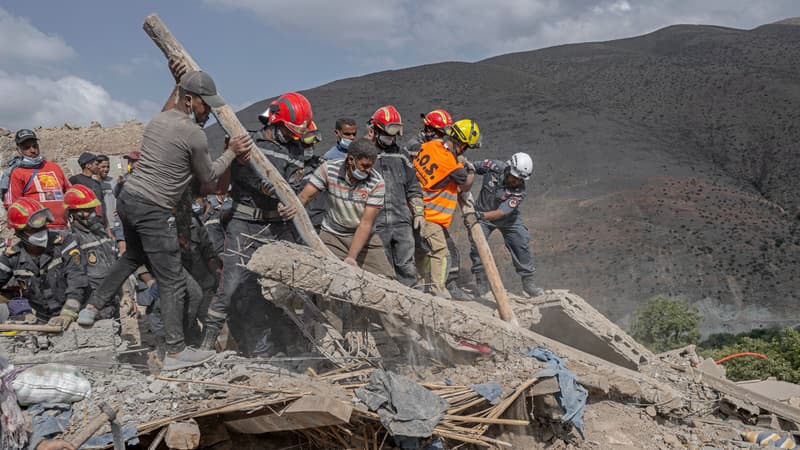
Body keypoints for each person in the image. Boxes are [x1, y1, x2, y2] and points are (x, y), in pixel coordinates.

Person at [84, 63, 251, 371]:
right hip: (154, 208)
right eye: (204, 104)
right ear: (190, 100)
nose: (207, 112)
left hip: (128, 199)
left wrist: (176, 83)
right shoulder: (194, 134)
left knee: (134, 255)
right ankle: (174, 353)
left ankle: (94, 304)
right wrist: (231, 150)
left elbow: (171, 104)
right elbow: (211, 179)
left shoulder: (159, 120)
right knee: (173, 281)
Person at [200, 92, 312, 354]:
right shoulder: (249, 142)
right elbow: (243, 177)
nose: (294, 136)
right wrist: (273, 191)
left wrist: (291, 201)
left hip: (276, 227)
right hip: (244, 222)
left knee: (283, 287)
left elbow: (294, 184)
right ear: (274, 121)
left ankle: (287, 345)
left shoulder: (297, 150)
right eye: (289, 130)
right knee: (232, 285)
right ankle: (207, 344)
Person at [298, 137, 394, 276]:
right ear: (350, 160)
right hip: (332, 234)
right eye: (364, 166)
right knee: (326, 276)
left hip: (364, 237)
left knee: (387, 278)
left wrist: (351, 257)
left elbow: (365, 224)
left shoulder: (377, 182)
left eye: (371, 166)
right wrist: (291, 211)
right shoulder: (329, 169)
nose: (368, 170)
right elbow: (304, 197)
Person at [413, 119, 479, 298]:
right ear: (462, 144)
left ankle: (420, 283)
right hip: (431, 215)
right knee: (440, 251)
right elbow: (465, 185)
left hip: (415, 208)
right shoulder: (451, 164)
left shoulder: (429, 146)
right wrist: (470, 169)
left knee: (421, 251)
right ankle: (437, 289)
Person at [466, 153, 545, 297]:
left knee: (521, 241)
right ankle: (481, 283)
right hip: (482, 215)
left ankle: (529, 284)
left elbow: (501, 212)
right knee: (477, 244)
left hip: (507, 219)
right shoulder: (494, 166)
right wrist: (466, 175)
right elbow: (471, 166)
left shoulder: (519, 191)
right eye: (514, 178)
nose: (516, 182)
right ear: (508, 169)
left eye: (520, 180)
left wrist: (479, 216)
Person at [0, 198, 87, 328]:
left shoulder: (64, 242)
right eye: (34, 229)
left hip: (76, 314)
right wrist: (18, 307)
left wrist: (68, 313)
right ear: (19, 233)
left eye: (43, 226)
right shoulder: (13, 256)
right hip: (42, 320)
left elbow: (77, 278)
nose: (41, 231)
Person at [366, 106, 423, 287]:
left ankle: (411, 303)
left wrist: (419, 212)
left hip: (401, 221)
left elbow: (413, 187)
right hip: (375, 223)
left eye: (393, 135)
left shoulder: (402, 155)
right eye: (386, 134)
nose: (391, 139)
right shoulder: (365, 155)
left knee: (406, 266)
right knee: (381, 269)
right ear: (374, 131)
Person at [58, 186, 119, 325]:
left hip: (111, 299)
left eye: (91, 209)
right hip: (91, 305)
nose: (90, 213)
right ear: (71, 213)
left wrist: (125, 294)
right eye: (84, 210)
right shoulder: (71, 239)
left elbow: (116, 264)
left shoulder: (100, 232)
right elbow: (76, 277)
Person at [1, 129, 70, 231]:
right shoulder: (17, 173)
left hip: (63, 228)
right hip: (37, 232)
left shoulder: (54, 167)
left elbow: (69, 192)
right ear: (19, 150)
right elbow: (13, 207)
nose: (32, 150)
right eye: (26, 147)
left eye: (35, 146)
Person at [68, 152, 105, 217]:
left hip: (99, 222)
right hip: (84, 223)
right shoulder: (75, 180)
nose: (99, 167)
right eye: (96, 164)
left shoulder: (97, 183)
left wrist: (107, 224)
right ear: (88, 165)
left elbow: (102, 204)